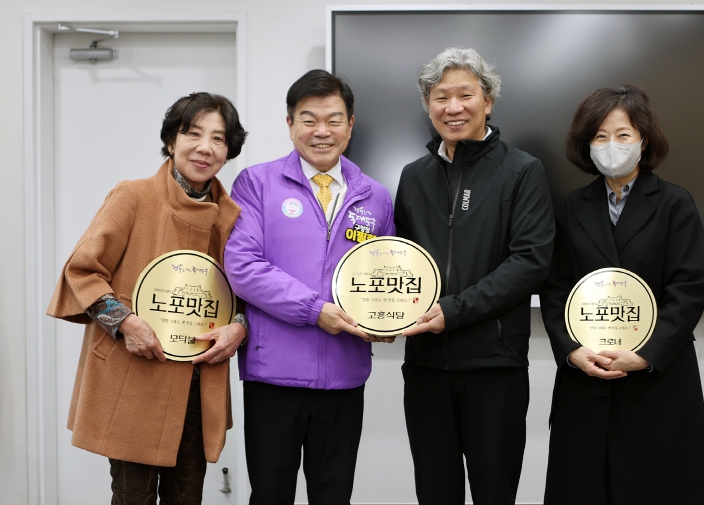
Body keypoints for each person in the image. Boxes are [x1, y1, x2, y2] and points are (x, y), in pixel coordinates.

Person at [47, 92, 248, 504]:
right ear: (171, 141)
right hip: (134, 375)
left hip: (197, 382)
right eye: (193, 133)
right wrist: (124, 323)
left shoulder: (232, 217)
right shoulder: (133, 196)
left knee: (187, 497)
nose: (205, 147)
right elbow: (82, 271)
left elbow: (244, 292)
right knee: (131, 497)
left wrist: (239, 327)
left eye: (218, 138)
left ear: (229, 151)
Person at [223, 69, 395, 505]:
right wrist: (314, 310)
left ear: (350, 125)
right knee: (271, 495)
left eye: (334, 120)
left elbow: (385, 274)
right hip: (273, 376)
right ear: (290, 124)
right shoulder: (256, 184)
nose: (322, 131)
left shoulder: (375, 196)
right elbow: (243, 267)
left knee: (333, 496)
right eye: (309, 119)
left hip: (344, 376)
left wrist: (387, 319)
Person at [539, 85, 704, 505]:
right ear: (587, 144)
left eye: (623, 135)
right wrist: (571, 350)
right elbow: (555, 288)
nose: (611, 145)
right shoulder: (571, 207)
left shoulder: (675, 204)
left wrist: (646, 354)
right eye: (600, 136)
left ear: (644, 140)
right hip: (588, 376)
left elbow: (688, 290)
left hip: (657, 381)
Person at [394, 47, 555, 504]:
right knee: (434, 493)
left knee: (494, 494)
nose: (453, 107)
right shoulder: (413, 176)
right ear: (428, 106)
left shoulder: (522, 171)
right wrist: (384, 314)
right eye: (440, 97)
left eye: (465, 95)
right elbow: (401, 261)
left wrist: (453, 311)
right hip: (425, 368)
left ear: (489, 101)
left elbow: (530, 262)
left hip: (494, 368)